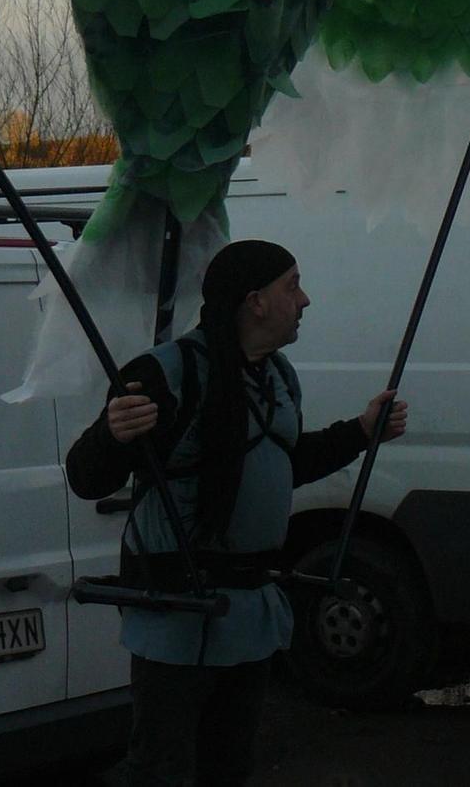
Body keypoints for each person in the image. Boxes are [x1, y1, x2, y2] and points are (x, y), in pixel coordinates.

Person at [64, 240, 407, 787]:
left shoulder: (278, 377)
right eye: (292, 285)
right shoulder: (164, 374)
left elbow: (279, 465)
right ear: (256, 302)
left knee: (228, 771)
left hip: (247, 617)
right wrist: (110, 435)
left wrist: (362, 433)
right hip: (176, 616)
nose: (306, 299)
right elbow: (86, 477)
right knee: (160, 773)